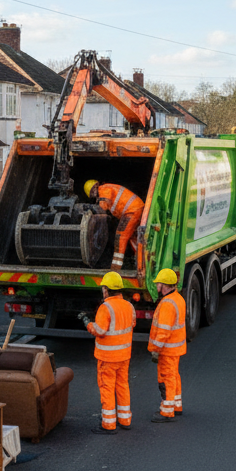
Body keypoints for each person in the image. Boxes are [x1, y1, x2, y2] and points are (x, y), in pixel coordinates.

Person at [79, 271, 135, 434]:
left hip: (108, 358)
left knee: (107, 388)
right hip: (124, 356)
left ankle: (108, 424)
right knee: (122, 385)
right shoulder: (129, 306)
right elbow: (131, 325)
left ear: (106, 289)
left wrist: (88, 323)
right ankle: (125, 420)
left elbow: (100, 330)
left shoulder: (106, 308)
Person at [147, 268, 186, 422]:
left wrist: (155, 349)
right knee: (174, 375)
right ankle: (177, 406)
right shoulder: (178, 299)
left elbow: (163, 331)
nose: (157, 287)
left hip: (166, 349)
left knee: (166, 378)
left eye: (159, 285)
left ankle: (167, 411)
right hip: (175, 348)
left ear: (165, 286)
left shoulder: (167, 304)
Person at [84, 179, 143, 271]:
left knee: (121, 236)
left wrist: (92, 208)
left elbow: (103, 206)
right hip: (135, 209)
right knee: (133, 237)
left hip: (132, 210)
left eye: (92, 194)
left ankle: (115, 268)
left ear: (94, 188)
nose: (94, 195)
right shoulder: (107, 188)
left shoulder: (103, 189)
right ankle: (141, 261)